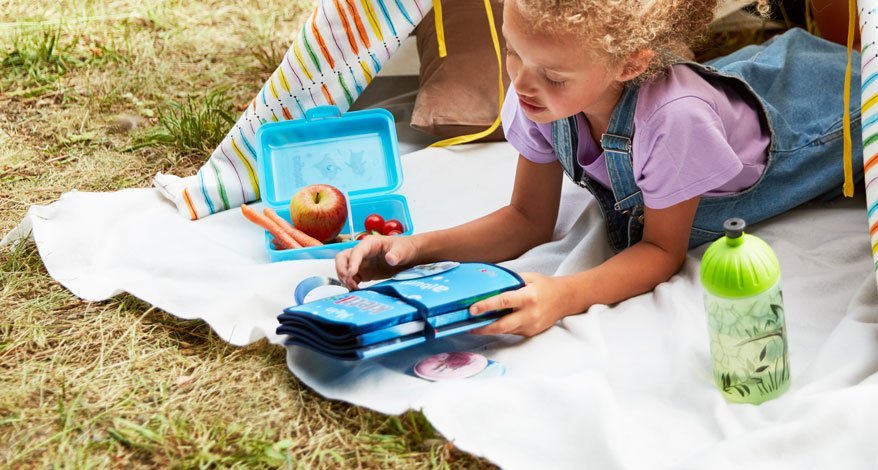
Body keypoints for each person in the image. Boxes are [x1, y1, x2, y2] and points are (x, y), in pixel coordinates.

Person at [335, 0, 863, 337]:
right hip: (729, 94)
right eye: (514, 53)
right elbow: (526, 219)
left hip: (830, 109)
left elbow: (660, 252)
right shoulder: (539, 95)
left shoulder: (673, 122)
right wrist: (415, 249)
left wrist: (563, 295)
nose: (520, 84)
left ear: (630, 63)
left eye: (554, 76)